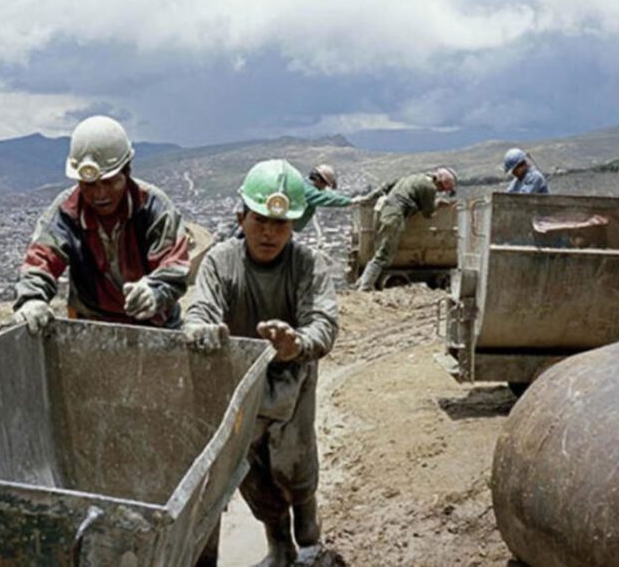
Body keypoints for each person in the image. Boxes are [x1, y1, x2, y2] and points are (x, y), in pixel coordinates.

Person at [184, 159, 339, 567]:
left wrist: (296, 344)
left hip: (294, 380)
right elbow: (201, 307)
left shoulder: (308, 264)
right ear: (242, 216)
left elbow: (324, 323)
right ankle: (280, 547)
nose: (269, 232)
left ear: (294, 226)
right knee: (253, 473)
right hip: (242, 385)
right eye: (260, 220)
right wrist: (200, 328)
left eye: (281, 223)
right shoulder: (221, 262)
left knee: (297, 467)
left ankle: (308, 543)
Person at [12, 114, 191, 333]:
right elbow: (41, 259)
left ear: (127, 172)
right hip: (93, 324)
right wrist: (32, 299)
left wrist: (154, 291)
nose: (99, 194)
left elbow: (174, 266)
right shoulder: (67, 212)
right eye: (89, 185)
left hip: (154, 324)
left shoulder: (154, 208)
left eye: (108, 182)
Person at [355, 167, 457, 291]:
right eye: (445, 189)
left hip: (383, 212)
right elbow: (428, 213)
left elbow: (387, 186)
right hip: (395, 217)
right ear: (443, 183)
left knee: (378, 252)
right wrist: (438, 202)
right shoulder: (429, 188)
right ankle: (365, 287)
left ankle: (360, 283)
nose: (442, 191)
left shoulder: (413, 177)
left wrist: (367, 198)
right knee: (384, 255)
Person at [292, 164, 366, 233]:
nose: (324, 187)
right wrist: (350, 201)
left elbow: (327, 194)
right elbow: (326, 198)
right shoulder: (308, 191)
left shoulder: (306, 186)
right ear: (318, 179)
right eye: (325, 184)